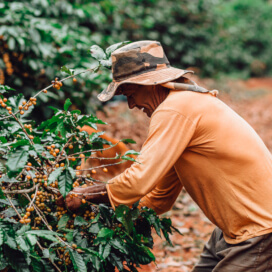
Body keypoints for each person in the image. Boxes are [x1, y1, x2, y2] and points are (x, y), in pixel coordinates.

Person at [59, 41, 272, 271]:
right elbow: (160, 197)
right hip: (235, 226)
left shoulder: (174, 109)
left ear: (150, 84)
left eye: (130, 93)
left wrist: (83, 195)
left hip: (259, 230)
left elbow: (138, 181)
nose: (131, 105)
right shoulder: (186, 105)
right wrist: (116, 220)